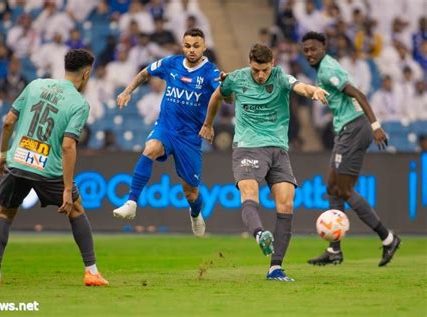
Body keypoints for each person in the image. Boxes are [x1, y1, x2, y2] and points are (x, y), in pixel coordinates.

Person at [199, 43, 329, 281]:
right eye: (257, 70)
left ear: (272, 66)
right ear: (250, 63)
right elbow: (220, 95)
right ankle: (260, 234)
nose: (261, 75)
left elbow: (299, 87)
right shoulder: (236, 78)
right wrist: (208, 124)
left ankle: (275, 268)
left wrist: (314, 91)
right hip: (248, 145)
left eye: (265, 70)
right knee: (250, 193)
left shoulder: (279, 77)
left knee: (286, 205)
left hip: (278, 149)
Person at [0, 49, 109, 288]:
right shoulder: (79, 104)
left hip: (18, 161)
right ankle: (91, 272)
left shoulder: (35, 85)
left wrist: (3, 153)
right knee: (77, 210)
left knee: (4, 214)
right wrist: (67, 188)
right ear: (86, 73)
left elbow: (8, 121)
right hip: (47, 168)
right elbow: (68, 146)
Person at [301, 31, 400, 267]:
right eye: (306, 50)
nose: (309, 54)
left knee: (344, 189)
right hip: (346, 129)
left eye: (313, 48)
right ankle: (334, 250)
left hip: (355, 128)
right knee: (333, 187)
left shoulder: (328, 70)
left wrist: (375, 126)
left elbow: (358, 93)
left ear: (324, 47)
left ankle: (388, 238)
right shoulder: (324, 68)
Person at [112, 28, 220, 237]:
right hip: (166, 128)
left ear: (204, 47)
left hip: (190, 138)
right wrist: (127, 91)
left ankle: (196, 214)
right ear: (182, 45)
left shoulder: (210, 72)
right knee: (150, 148)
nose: (191, 50)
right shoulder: (171, 63)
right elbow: (145, 73)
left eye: (196, 46)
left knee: (190, 191)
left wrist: (209, 122)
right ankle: (131, 202)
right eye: (187, 45)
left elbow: (222, 95)